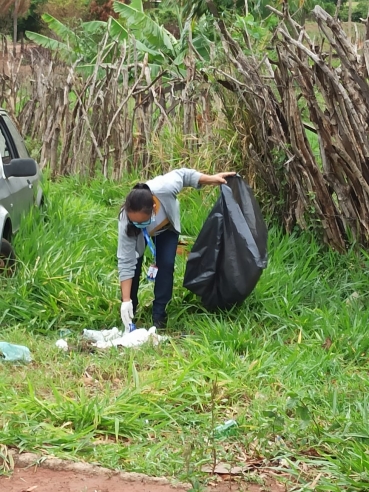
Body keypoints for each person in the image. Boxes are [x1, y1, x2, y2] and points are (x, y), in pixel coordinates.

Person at [118, 168, 235, 331]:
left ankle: (159, 316)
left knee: (165, 265)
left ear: (153, 206)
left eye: (143, 221)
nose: (139, 223)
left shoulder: (164, 188)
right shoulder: (127, 220)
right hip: (138, 238)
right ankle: (130, 312)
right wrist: (125, 301)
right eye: (135, 221)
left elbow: (184, 175)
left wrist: (212, 179)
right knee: (134, 265)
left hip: (166, 228)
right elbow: (125, 261)